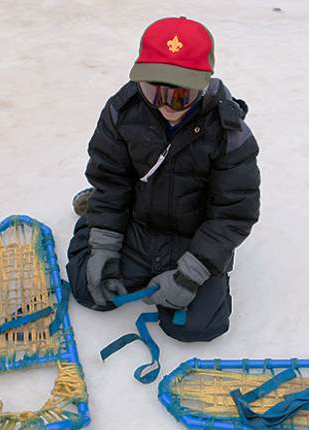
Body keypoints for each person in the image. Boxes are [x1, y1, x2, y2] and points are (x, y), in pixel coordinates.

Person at [66, 17, 261, 342]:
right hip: (138, 225)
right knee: (91, 290)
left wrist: (191, 273)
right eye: (154, 90)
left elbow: (233, 213)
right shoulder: (122, 112)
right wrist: (103, 247)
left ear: (204, 82)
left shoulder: (230, 134)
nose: (167, 105)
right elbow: (111, 180)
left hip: (191, 236)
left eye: (181, 95)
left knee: (195, 326)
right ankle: (93, 219)